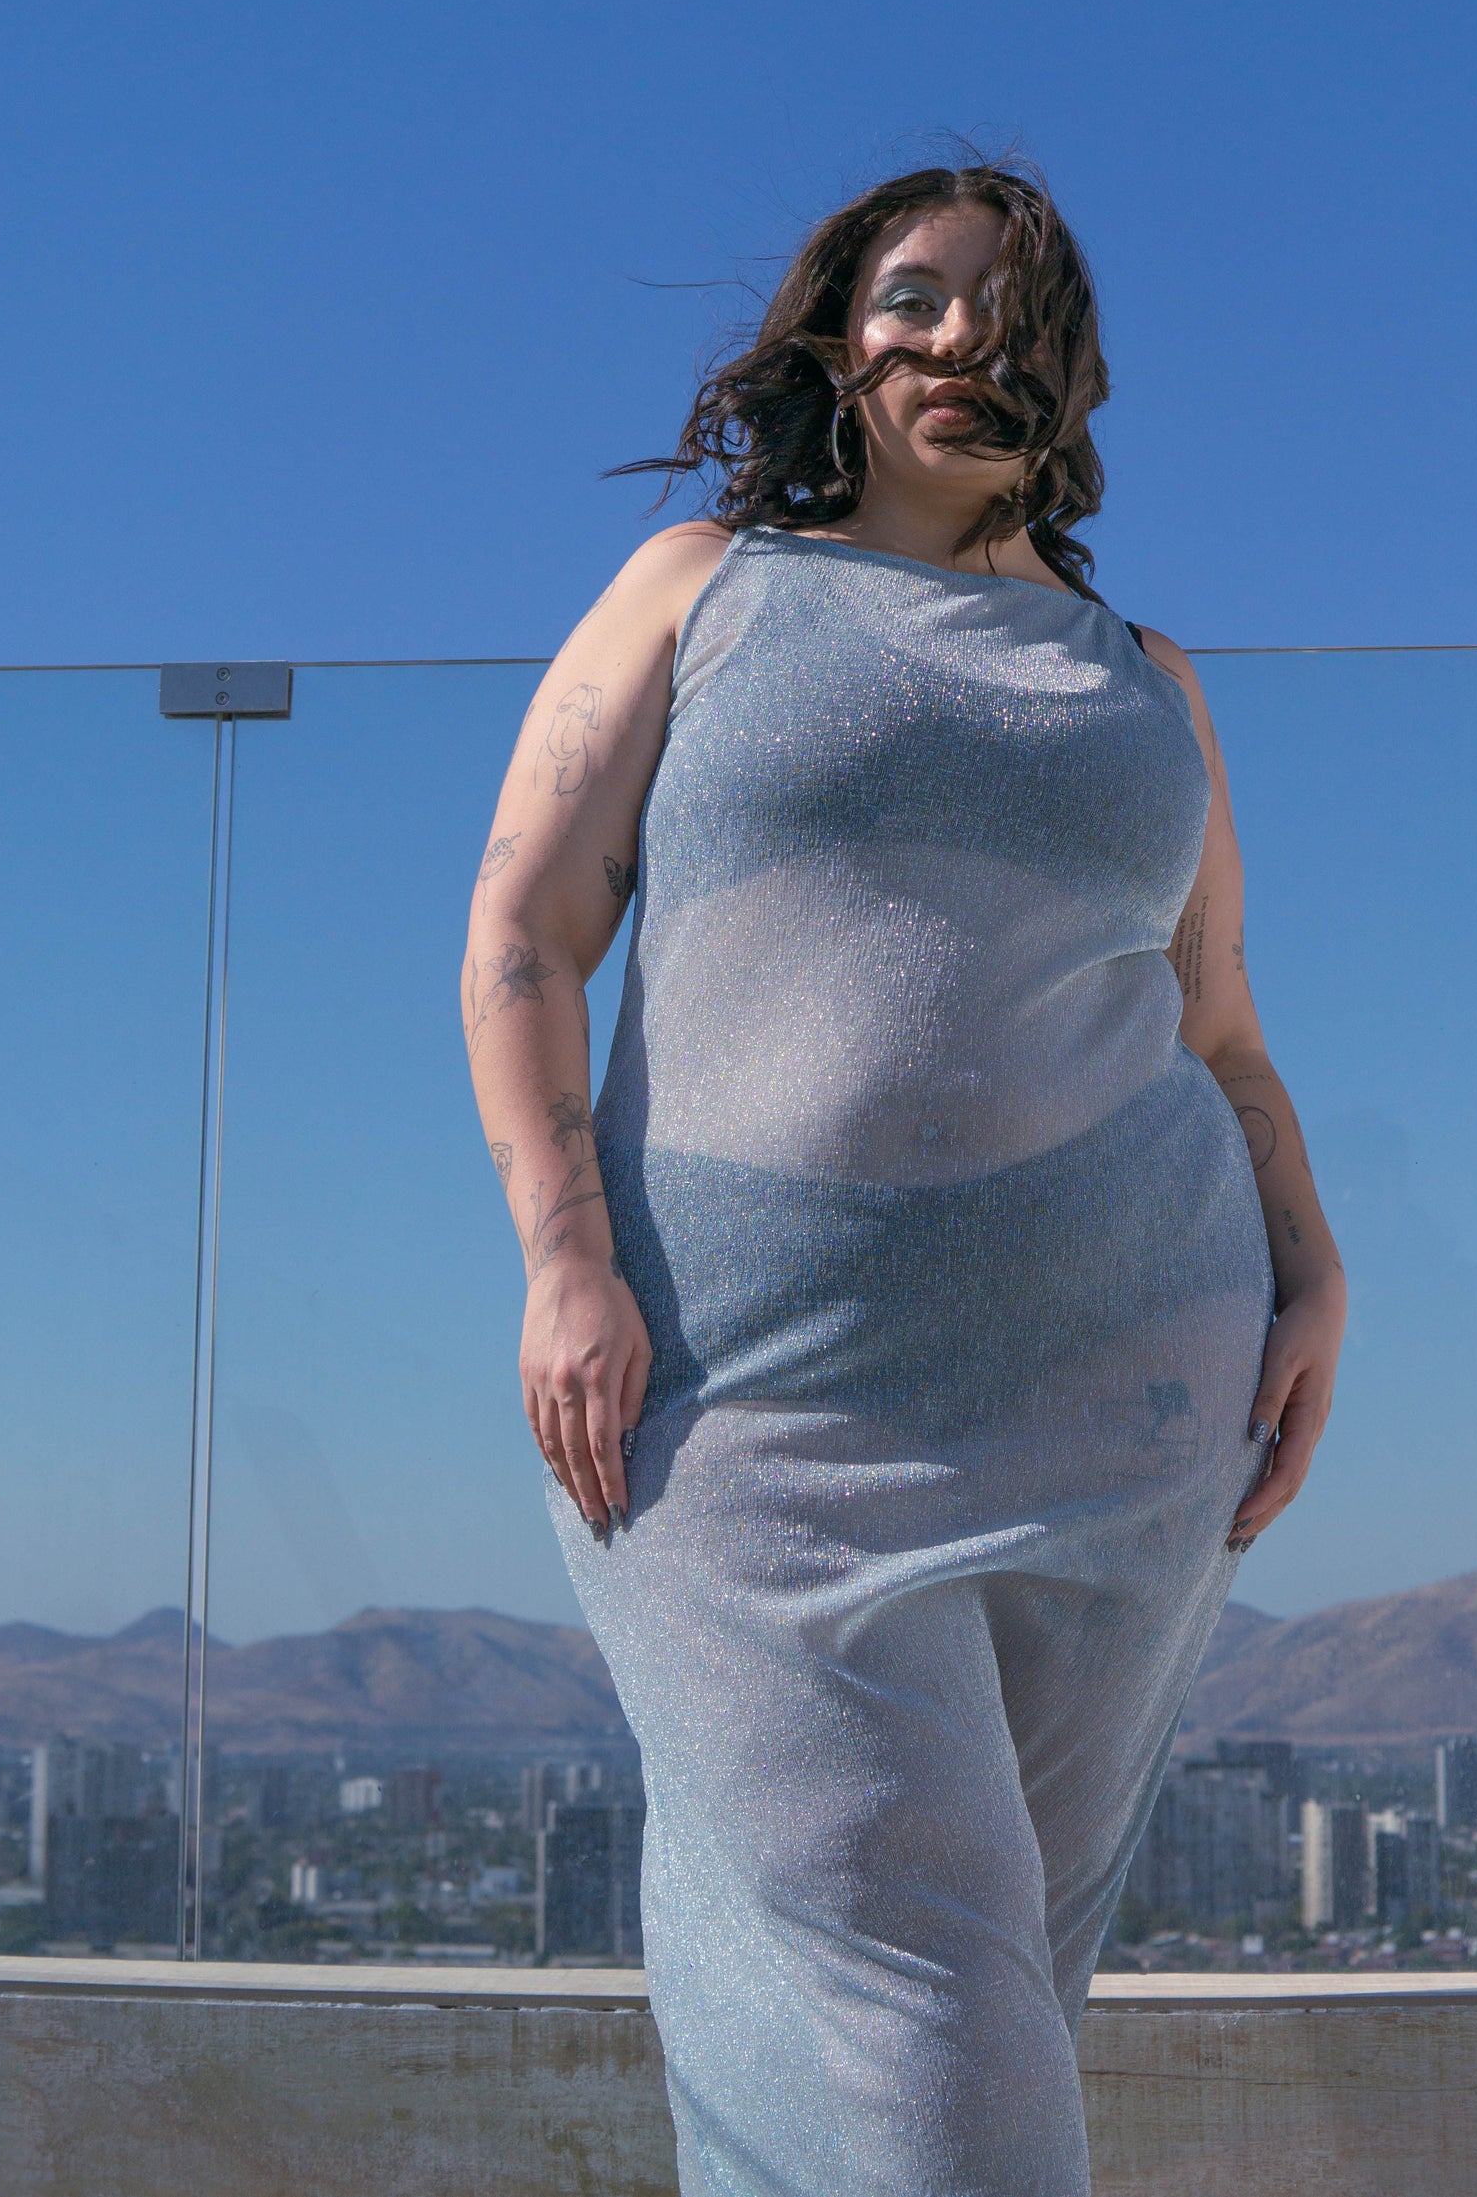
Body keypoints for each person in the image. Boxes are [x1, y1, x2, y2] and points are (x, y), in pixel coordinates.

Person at [463, 161, 1344, 2196]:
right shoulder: (701, 586)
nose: (960, 340)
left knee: (996, 1989)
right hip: (746, 1408)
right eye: (917, 296)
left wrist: (1313, 1272)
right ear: (836, 337)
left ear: (1074, 375)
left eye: (1010, 315)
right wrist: (565, 1256)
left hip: (1135, 1414)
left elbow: (1219, 1032)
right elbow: (522, 932)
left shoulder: (1147, 678)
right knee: (925, 2031)